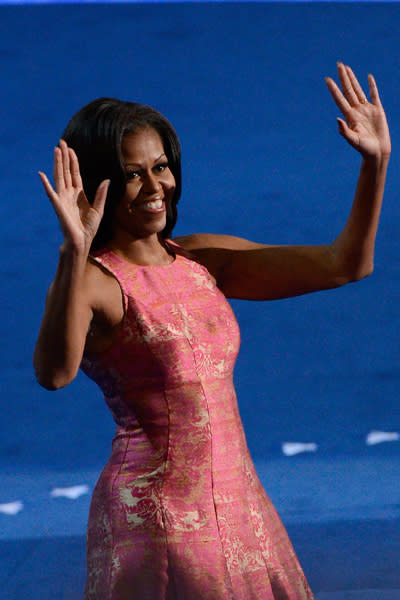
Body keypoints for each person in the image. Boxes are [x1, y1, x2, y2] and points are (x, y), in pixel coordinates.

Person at [34, 62, 390, 600]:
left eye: (161, 167)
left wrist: (376, 164)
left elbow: (345, 264)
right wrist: (72, 251)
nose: (155, 186)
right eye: (132, 173)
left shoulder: (202, 259)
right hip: (158, 520)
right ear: (97, 182)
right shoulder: (95, 282)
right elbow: (54, 374)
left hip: (239, 503)